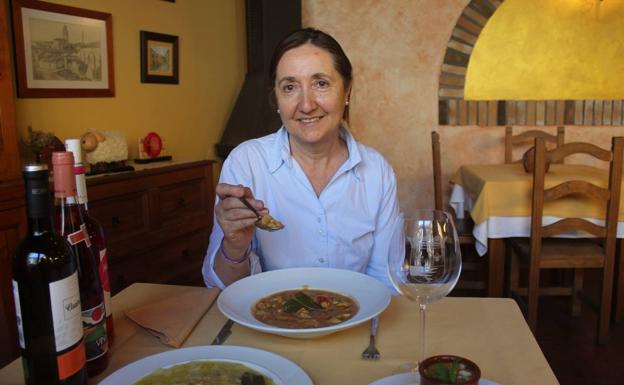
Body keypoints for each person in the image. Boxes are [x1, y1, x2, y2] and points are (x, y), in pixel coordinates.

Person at [202, 27, 400, 290]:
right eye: (290, 87)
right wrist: (235, 246)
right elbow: (219, 286)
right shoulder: (246, 163)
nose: (306, 104)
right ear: (277, 98)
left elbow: (386, 281)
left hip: (356, 324)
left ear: (347, 90)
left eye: (321, 83)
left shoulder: (377, 172)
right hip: (268, 326)